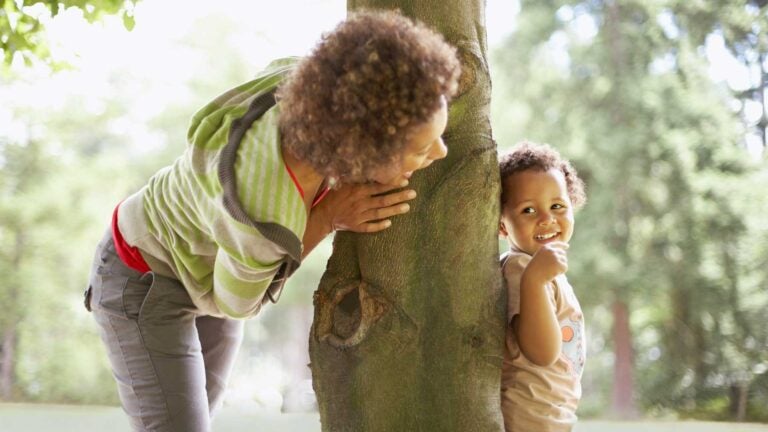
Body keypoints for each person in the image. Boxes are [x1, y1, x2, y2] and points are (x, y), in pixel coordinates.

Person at [84, 10, 460, 432]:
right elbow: (236, 304)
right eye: (422, 148)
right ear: (365, 148)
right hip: (143, 276)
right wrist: (327, 216)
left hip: (210, 258)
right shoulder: (262, 214)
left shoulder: (310, 90)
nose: (441, 153)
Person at [498, 141, 587, 432]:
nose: (547, 219)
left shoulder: (541, 270)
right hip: (530, 418)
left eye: (557, 206)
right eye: (528, 210)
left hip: (549, 415)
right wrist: (535, 280)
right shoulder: (521, 269)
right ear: (502, 225)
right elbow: (542, 352)